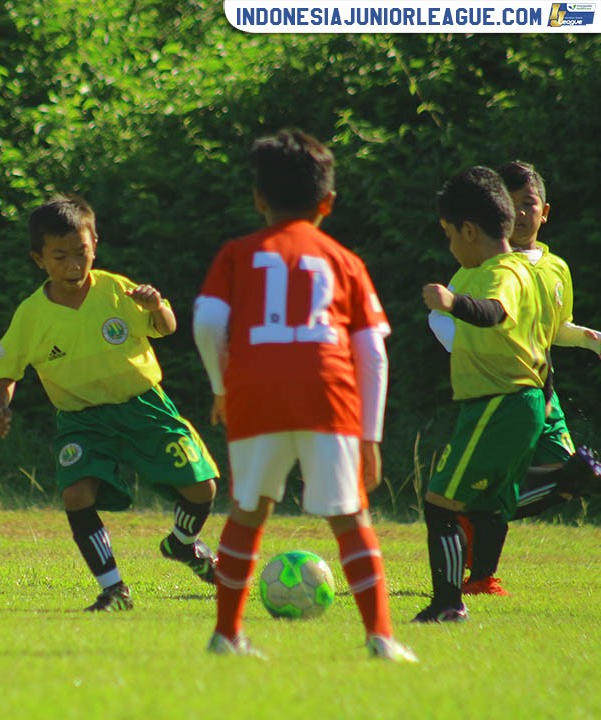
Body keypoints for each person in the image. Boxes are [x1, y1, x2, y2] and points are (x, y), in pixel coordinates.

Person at [192, 129, 415, 661]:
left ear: (259, 199)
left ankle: (227, 635)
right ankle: (381, 638)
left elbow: (207, 322)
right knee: (350, 517)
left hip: (255, 392)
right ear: (327, 202)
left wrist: (222, 386)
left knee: (248, 510)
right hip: (327, 395)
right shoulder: (345, 260)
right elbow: (373, 353)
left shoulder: (237, 254)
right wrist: (370, 436)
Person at [0, 195, 220, 612]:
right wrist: (1, 406)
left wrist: (157, 306)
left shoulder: (116, 289)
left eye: (81, 252)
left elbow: (166, 328)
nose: (73, 265)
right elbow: (5, 371)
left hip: (144, 407)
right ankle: (114, 590)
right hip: (83, 420)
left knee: (203, 487)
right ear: (39, 259)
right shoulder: (31, 315)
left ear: (94, 243)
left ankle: (182, 544)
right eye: (60, 256)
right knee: (76, 495)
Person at [427, 160, 601, 596]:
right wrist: (468, 344)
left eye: (530, 204)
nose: (521, 213)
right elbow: (446, 317)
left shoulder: (553, 268)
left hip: (535, 390)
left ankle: (468, 540)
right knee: (510, 485)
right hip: (509, 387)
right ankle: (481, 576)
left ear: (546, 212)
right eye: (513, 203)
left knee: (557, 473)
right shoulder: (480, 265)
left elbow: (552, 327)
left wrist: (588, 339)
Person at [415, 165, 556, 623]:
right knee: (485, 505)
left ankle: (448, 603)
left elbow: (494, 313)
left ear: (470, 230)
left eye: (450, 235)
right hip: (516, 401)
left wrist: (452, 302)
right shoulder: (510, 270)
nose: (450, 246)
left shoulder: (502, 272)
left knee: (440, 503)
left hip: (499, 402)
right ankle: (465, 590)